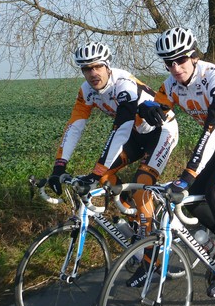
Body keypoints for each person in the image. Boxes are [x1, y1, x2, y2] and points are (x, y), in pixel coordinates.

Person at [136, 27, 215, 298]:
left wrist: (189, 173)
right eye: (169, 63)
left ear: (193, 57)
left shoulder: (214, 78)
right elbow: (157, 107)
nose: (175, 67)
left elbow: (214, 128)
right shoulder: (170, 85)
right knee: (191, 201)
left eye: (180, 60)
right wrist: (146, 109)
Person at [48, 41, 179, 238]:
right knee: (104, 176)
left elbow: (122, 128)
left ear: (107, 65)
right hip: (135, 134)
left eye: (97, 66)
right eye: (86, 68)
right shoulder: (86, 91)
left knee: (141, 184)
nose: (93, 73)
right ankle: (137, 218)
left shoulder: (123, 84)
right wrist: (59, 166)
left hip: (161, 131)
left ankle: (151, 256)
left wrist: (95, 170)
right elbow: (74, 126)